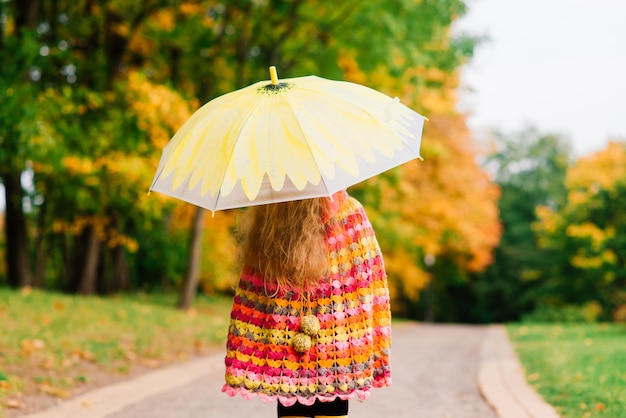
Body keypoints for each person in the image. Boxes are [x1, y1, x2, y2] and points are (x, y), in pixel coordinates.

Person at [222, 189, 392, 418]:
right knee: (332, 408)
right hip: (338, 349)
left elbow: (254, 295)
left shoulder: (270, 217)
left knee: (292, 406)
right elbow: (371, 283)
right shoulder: (350, 213)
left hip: (286, 353)